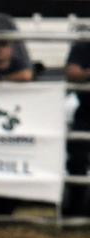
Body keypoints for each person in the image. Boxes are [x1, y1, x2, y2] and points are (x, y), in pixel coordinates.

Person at [63, 31, 90, 216]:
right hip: (86, 113)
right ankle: (75, 211)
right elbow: (72, 73)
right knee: (77, 161)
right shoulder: (83, 47)